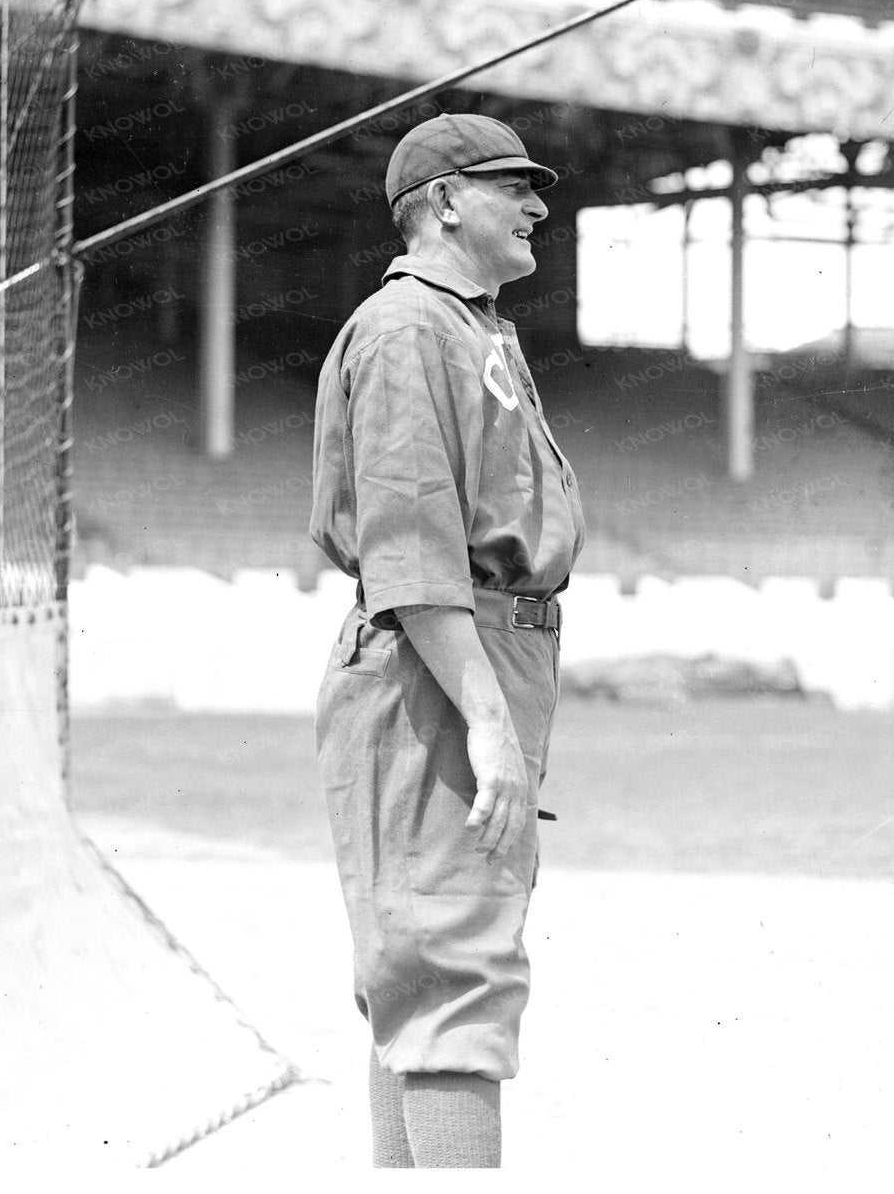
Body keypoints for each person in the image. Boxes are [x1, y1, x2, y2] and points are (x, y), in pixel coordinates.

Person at [308, 113, 585, 1167]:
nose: (537, 206)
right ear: (445, 203)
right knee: (450, 968)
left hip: (477, 650)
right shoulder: (409, 330)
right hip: (439, 661)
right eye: (513, 186)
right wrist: (486, 724)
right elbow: (412, 554)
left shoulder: (471, 329)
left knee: (420, 965)